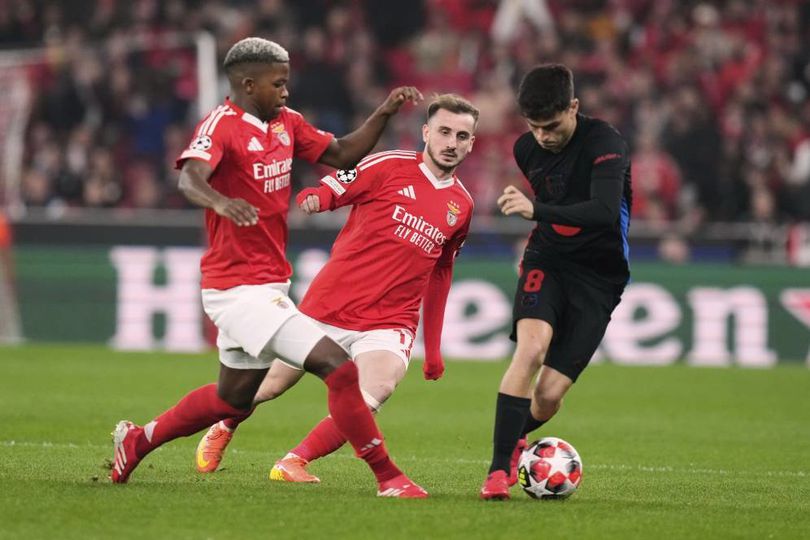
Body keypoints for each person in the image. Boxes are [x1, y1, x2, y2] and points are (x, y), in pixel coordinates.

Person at [109, 37, 429, 498]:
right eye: (278, 83)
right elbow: (189, 178)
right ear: (247, 84)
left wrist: (383, 113)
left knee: (231, 398)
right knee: (338, 369)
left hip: (269, 283)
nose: (285, 91)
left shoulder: (287, 123)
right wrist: (221, 202)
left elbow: (341, 153)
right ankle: (388, 478)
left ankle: (138, 441)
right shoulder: (221, 125)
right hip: (236, 289)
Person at [193, 94, 478, 485]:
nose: (451, 143)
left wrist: (434, 349)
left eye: (462, 136)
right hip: (330, 305)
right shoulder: (388, 164)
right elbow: (335, 186)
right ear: (426, 132)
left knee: (378, 387)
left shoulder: (462, 205)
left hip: (390, 321)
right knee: (268, 385)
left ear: (471, 143)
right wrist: (316, 198)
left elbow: (441, 271)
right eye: (444, 132)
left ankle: (294, 461)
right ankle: (224, 424)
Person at [479, 64, 632, 500]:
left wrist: (537, 211)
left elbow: (603, 212)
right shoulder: (525, 149)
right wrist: (538, 232)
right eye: (534, 126)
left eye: (551, 126)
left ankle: (516, 436)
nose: (542, 136)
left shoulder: (605, 143)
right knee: (530, 350)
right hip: (547, 260)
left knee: (548, 396)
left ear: (573, 107)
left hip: (599, 276)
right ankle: (497, 471)